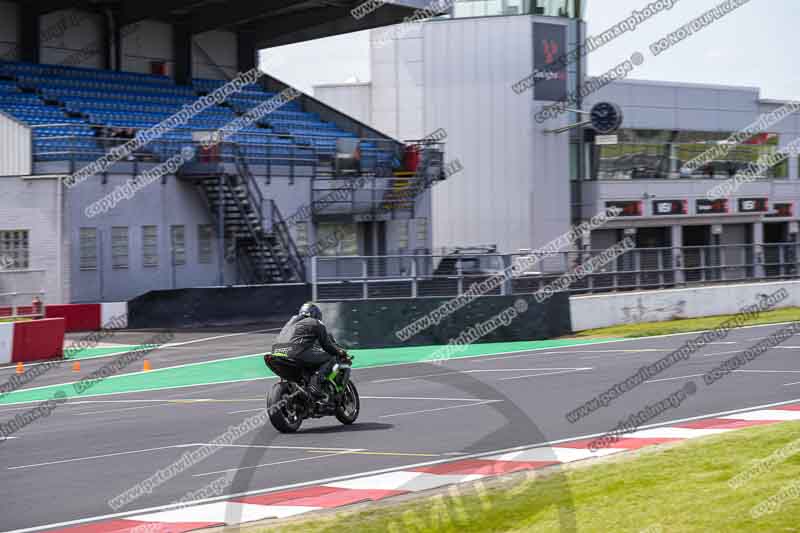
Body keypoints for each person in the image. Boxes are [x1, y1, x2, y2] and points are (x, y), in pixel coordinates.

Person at [271, 302, 348, 403]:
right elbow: (327, 345)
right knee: (330, 357)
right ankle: (316, 384)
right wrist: (339, 352)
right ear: (315, 314)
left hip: (276, 352)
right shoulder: (316, 322)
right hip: (295, 352)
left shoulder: (291, 321)